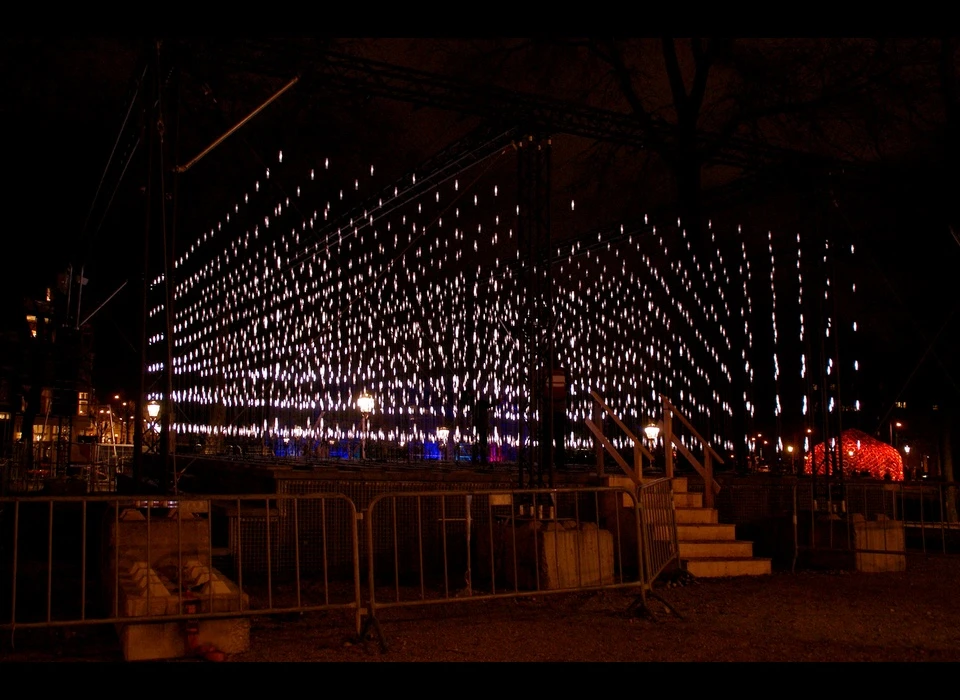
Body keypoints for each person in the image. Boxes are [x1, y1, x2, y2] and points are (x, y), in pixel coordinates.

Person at [472, 395, 491, 466]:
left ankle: (478, 459)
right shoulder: (481, 413)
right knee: (481, 444)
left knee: (480, 444)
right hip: (481, 429)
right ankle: (480, 459)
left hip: (481, 429)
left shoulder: (478, 412)